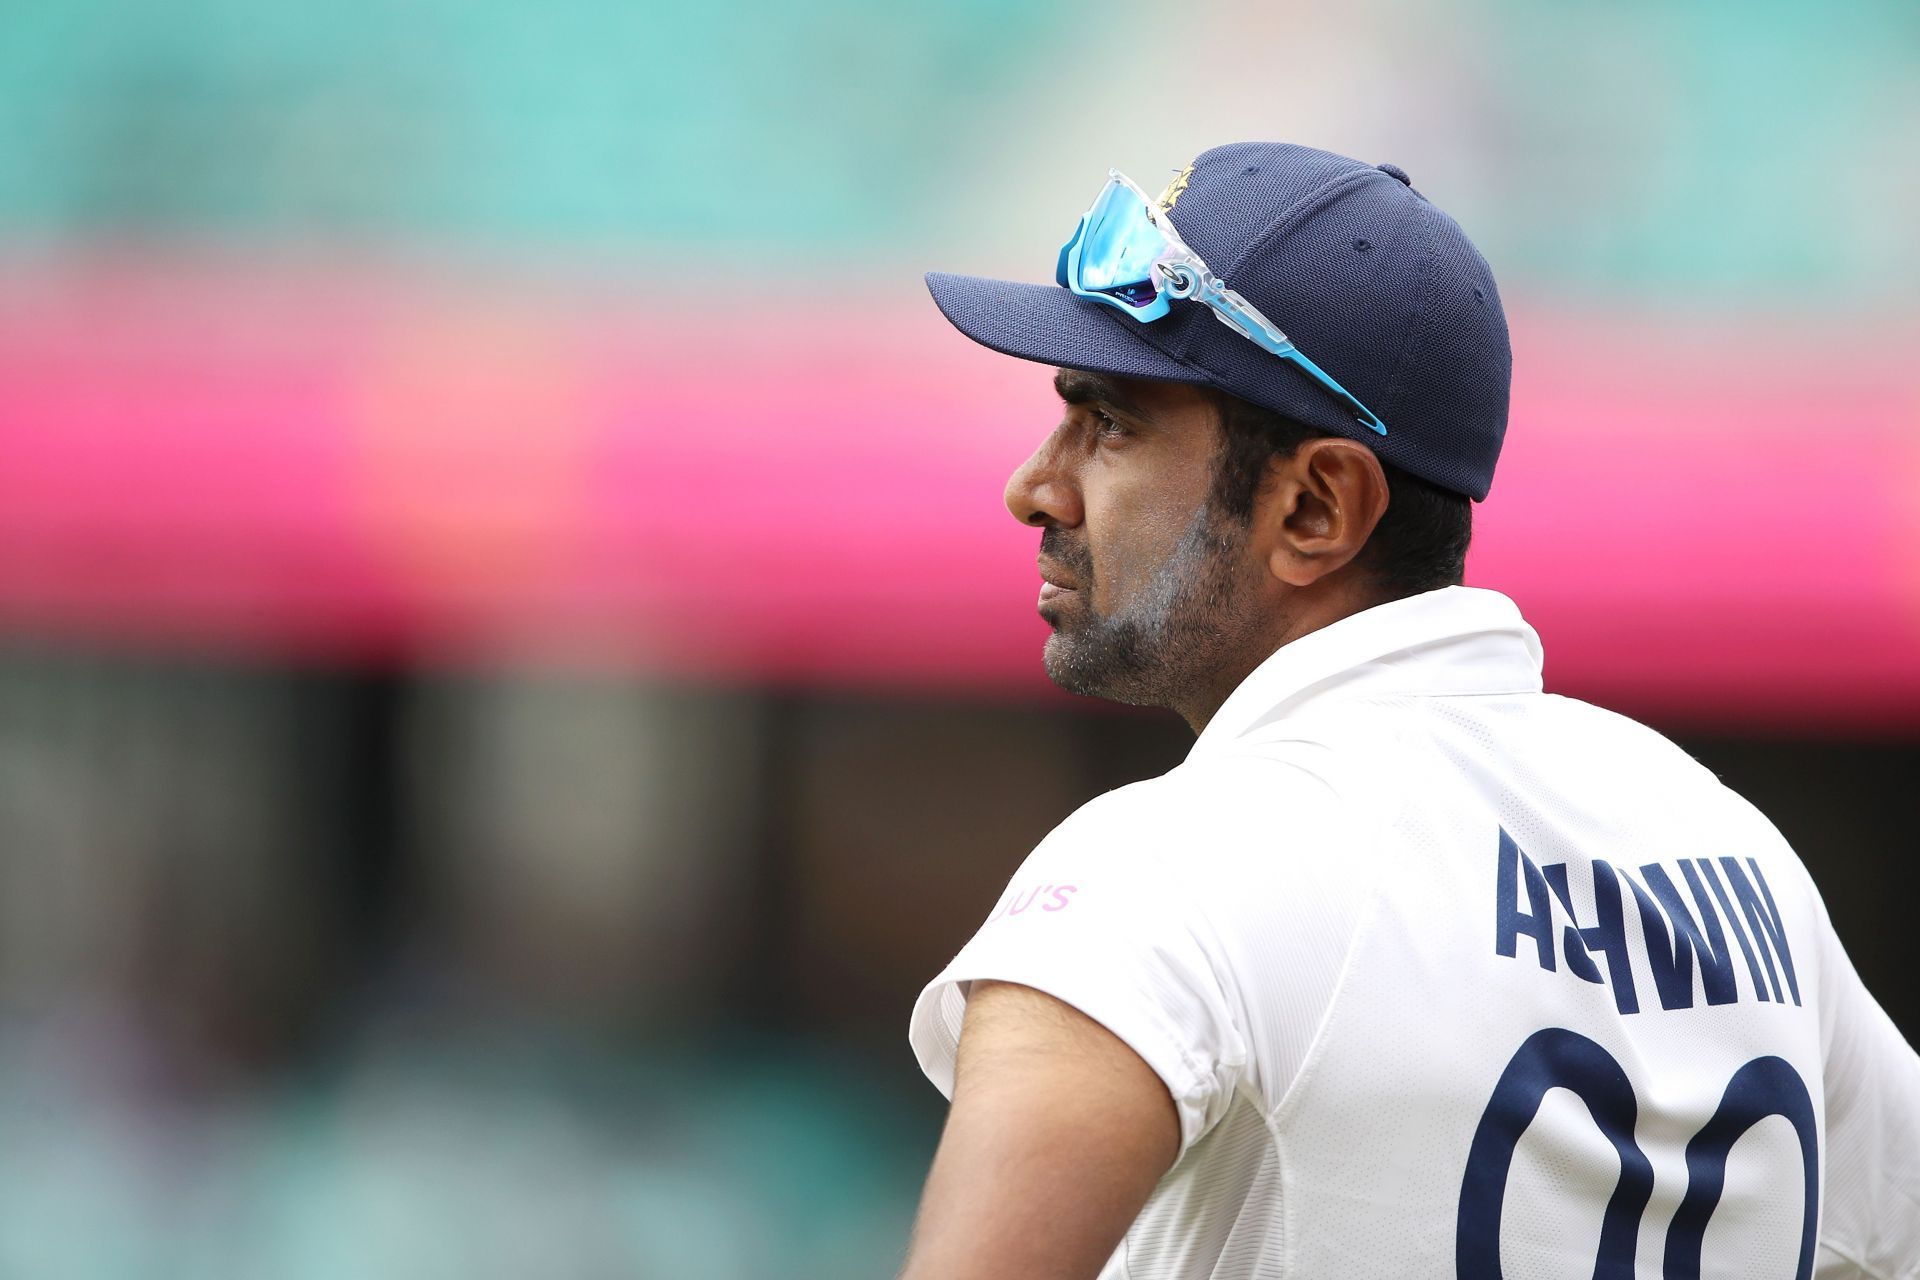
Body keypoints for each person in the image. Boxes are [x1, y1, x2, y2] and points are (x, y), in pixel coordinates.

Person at [897, 142, 1920, 1280]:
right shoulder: (1737, 850)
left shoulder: (1162, 868)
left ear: (1317, 507)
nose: (1035, 483)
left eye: (1113, 423)